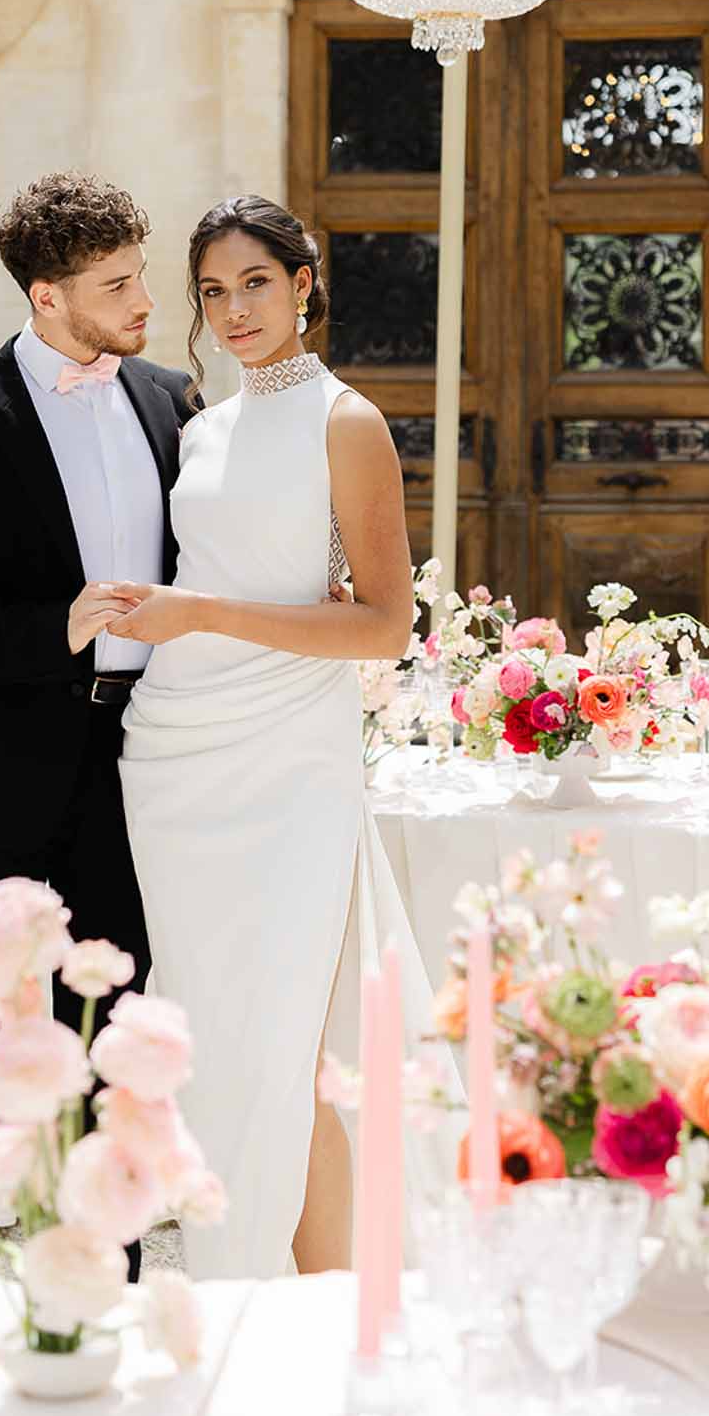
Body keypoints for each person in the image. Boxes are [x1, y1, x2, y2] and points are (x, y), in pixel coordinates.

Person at [109, 194, 458, 1280]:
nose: (233, 309)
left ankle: (310, 1296)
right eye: (212, 291)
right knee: (207, 1034)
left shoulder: (344, 420)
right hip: (173, 756)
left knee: (290, 1040)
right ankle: (232, 1271)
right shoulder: (198, 424)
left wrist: (202, 613)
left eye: (254, 282)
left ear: (304, 284)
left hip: (287, 763)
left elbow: (386, 622)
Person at [0, 172, 196, 1269]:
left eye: (140, 273)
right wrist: (46, 629)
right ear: (46, 296)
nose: (143, 298)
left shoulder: (170, 402)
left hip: (142, 760)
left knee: (120, 1019)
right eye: (116, 283)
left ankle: (101, 1255)